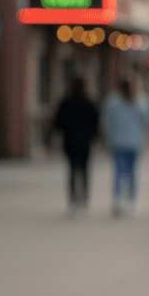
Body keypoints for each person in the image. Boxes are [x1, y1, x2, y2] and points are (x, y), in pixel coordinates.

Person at [103, 75, 149, 218]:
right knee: (132, 172)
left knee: (119, 172)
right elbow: (148, 122)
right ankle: (131, 202)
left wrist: (107, 141)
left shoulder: (112, 102)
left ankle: (118, 201)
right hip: (135, 143)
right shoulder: (142, 102)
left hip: (118, 142)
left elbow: (107, 123)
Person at [53, 77, 98, 218]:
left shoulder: (66, 102)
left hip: (70, 142)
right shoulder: (89, 102)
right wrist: (93, 136)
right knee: (84, 171)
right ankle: (84, 200)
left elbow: (58, 123)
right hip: (85, 143)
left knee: (72, 171)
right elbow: (95, 123)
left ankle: (73, 201)